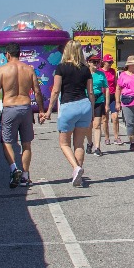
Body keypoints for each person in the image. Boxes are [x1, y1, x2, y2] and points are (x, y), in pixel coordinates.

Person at [0, 41, 45, 188]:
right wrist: (41, 110)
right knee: (26, 143)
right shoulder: (29, 70)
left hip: (10, 108)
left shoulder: (2, 70)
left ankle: (14, 169)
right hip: (26, 107)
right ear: (20, 54)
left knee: (7, 142)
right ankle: (25, 175)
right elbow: (37, 91)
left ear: (8, 54)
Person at [42, 40, 94, 187]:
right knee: (79, 143)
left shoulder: (61, 68)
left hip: (68, 106)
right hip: (84, 105)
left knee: (64, 143)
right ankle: (78, 174)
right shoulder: (85, 69)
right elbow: (90, 91)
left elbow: (56, 90)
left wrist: (49, 109)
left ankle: (76, 168)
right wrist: (91, 111)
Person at [88, 55, 109, 157]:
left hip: (99, 100)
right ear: (89, 62)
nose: (96, 64)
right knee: (88, 125)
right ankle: (89, 142)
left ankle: (97, 147)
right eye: (94, 62)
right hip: (87, 100)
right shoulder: (85, 73)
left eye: (98, 62)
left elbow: (107, 88)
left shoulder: (101, 74)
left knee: (97, 125)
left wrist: (107, 104)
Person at [102, 56, 122, 145]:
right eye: (109, 62)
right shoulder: (100, 71)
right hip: (103, 96)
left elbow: (116, 84)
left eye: (111, 62)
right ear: (104, 62)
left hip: (112, 95)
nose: (110, 64)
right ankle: (106, 137)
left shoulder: (113, 71)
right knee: (105, 118)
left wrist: (118, 100)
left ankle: (116, 137)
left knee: (115, 117)